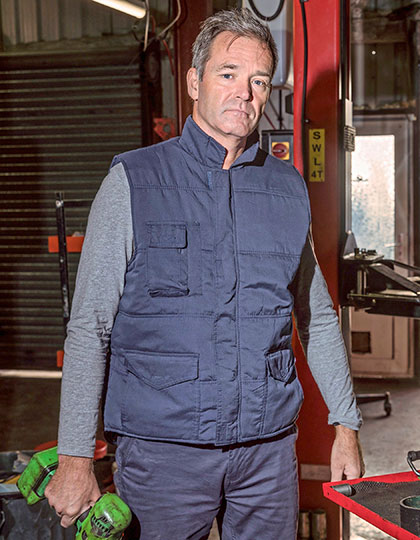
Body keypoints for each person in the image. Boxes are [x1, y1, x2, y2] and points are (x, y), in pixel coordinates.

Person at [45, 8, 363, 539]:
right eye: (228, 74)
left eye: (258, 80)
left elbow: (317, 318)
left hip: (266, 454)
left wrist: (345, 422)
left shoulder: (287, 188)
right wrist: (75, 455)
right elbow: (90, 325)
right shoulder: (134, 181)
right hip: (164, 456)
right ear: (194, 82)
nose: (244, 93)